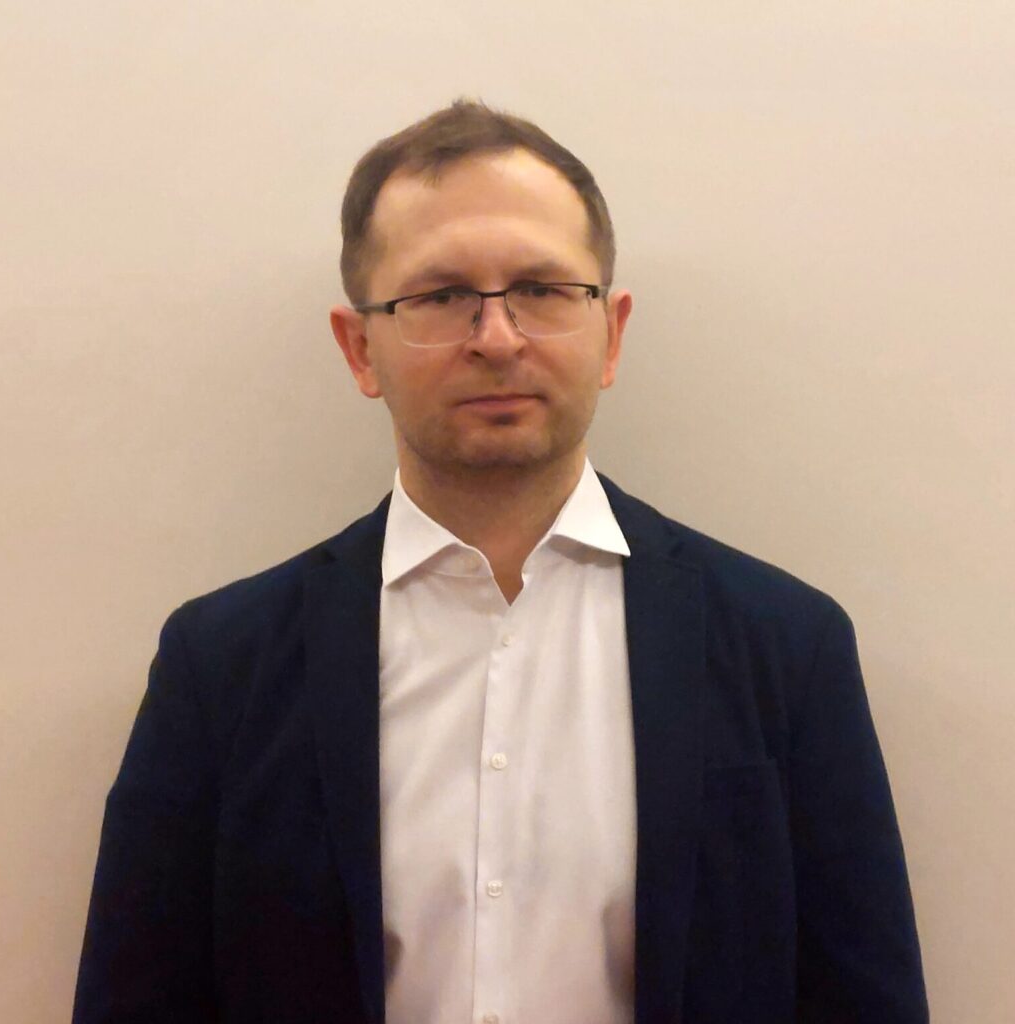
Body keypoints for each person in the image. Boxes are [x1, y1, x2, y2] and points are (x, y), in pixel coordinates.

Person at [73, 100, 929, 1024]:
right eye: (441, 296)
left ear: (612, 333)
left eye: (542, 288)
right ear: (360, 349)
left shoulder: (787, 648)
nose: (497, 337)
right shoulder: (219, 667)